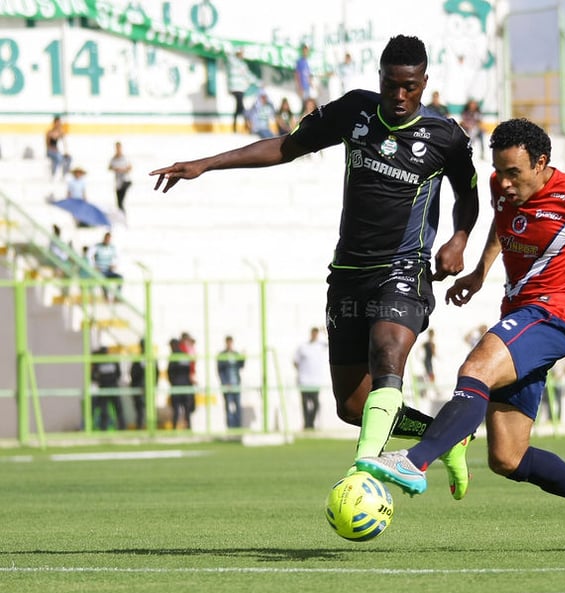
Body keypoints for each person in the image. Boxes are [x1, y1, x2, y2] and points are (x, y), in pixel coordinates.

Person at [150, 35, 480, 499]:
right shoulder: (354, 112)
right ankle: (447, 435)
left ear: (424, 82)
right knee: (351, 405)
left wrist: (459, 238)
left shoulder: (445, 136)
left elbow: (468, 194)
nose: (399, 96)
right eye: (391, 85)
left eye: (409, 86)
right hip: (348, 272)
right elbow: (287, 147)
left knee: (389, 352)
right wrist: (205, 164)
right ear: (380, 79)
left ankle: (364, 468)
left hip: (405, 267)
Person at [356, 118, 565, 551]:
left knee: (475, 368)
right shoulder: (504, 186)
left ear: (541, 163)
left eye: (515, 172)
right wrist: (480, 274)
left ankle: (415, 461)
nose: (505, 181)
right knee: (507, 457)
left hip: (554, 316)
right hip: (521, 314)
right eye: (499, 170)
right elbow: (502, 225)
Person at [293, 327, 329, 430]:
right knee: (304, 403)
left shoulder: (321, 345)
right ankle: (307, 424)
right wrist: (301, 371)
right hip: (304, 380)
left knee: (316, 403)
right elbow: (295, 361)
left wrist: (325, 331)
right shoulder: (303, 347)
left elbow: (331, 342)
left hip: (315, 381)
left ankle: (310, 423)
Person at [91, 345, 125, 430]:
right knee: (108, 410)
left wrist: (101, 380)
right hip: (109, 388)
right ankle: (119, 428)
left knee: (110, 410)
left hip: (107, 389)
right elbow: (118, 374)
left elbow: (93, 376)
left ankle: (109, 428)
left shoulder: (99, 362)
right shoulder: (109, 361)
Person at [217, 335, 245, 428]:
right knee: (228, 407)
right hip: (227, 385)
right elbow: (220, 371)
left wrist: (243, 358)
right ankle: (230, 427)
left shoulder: (235, 354)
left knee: (238, 406)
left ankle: (238, 426)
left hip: (236, 384)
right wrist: (225, 383)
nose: (229, 344)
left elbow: (241, 366)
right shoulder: (222, 355)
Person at [129, 338, 157, 430]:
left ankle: (144, 428)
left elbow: (133, 373)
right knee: (144, 410)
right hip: (143, 388)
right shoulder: (149, 359)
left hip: (142, 387)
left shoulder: (143, 359)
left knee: (143, 410)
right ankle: (145, 429)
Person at [226, 48, 254, 133]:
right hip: (235, 88)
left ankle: (237, 127)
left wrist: (258, 83)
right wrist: (236, 49)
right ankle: (247, 125)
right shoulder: (233, 62)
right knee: (241, 107)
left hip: (241, 89)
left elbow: (248, 76)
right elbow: (229, 55)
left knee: (239, 108)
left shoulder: (242, 65)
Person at [90, 232, 122, 300]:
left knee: (120, 277)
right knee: (102, 278)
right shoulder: (97, 246)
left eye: (109, 239)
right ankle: (106, 296)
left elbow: (117, 258)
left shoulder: (112, 248)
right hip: (100, 270)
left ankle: (117, 297)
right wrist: (94, 266)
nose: (107, 240)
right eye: (106, 239)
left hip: (108, 270)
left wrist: (114, 264)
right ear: (104, 238)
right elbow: (89, 256)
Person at [108, 141, 132, 213]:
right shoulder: (113, 158)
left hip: (125, 181)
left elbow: (130, 168)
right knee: (118, 202)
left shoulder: (125, 158)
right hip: (118, 182)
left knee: (121, 201)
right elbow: (109, 167)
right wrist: (115, 169)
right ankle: (121, 215)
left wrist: (122, 170)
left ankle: (123, 215)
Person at [46, 115, 71, 180]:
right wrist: (52, 150)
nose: (58, 124)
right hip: (51, 151)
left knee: (68, 158)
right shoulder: (49, 132)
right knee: (58, 159)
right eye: (57, 122)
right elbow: (47, 144)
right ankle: (53, 174)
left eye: (59, 122)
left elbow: (64, 143)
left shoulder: (61, 132)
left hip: (57, 151)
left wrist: (66, 152)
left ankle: (64, 175)